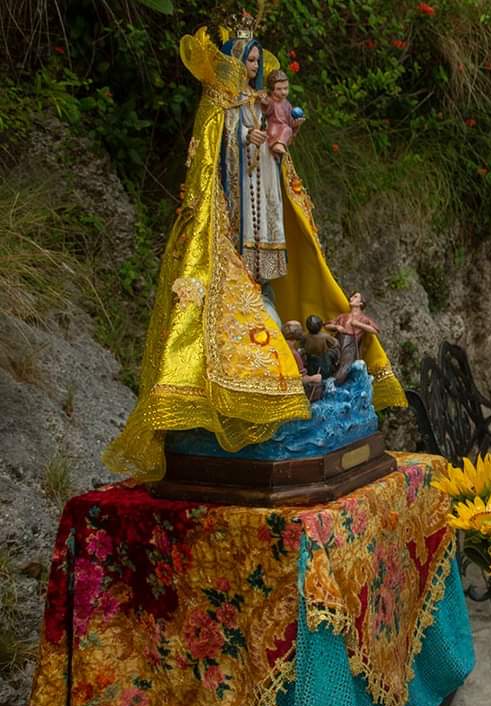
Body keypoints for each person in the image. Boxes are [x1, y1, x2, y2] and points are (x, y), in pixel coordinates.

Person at [102, 24, 406, 481]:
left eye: (255, 61)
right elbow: (212, 163)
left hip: (264, 196)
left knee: (275, 268)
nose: (251, 68)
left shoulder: (260, 102)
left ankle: (297, 371)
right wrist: (246, 142)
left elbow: (278, 145)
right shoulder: (222, 108)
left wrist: (280, 139)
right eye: (246, 59)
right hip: (238, 201)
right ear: (230, 62)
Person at [263, 68, 303, 157]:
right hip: (273, 129)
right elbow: (266, 111)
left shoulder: (287, 104)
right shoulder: (271, 102)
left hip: (284, 131)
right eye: (279, 89)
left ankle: (280, 144)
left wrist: (296, 124)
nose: (283, 92)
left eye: (285, 88)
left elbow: (289, 121)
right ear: (272, 89)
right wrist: (265, 102)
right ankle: (278, 144)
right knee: (287, 129)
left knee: (287, 129)